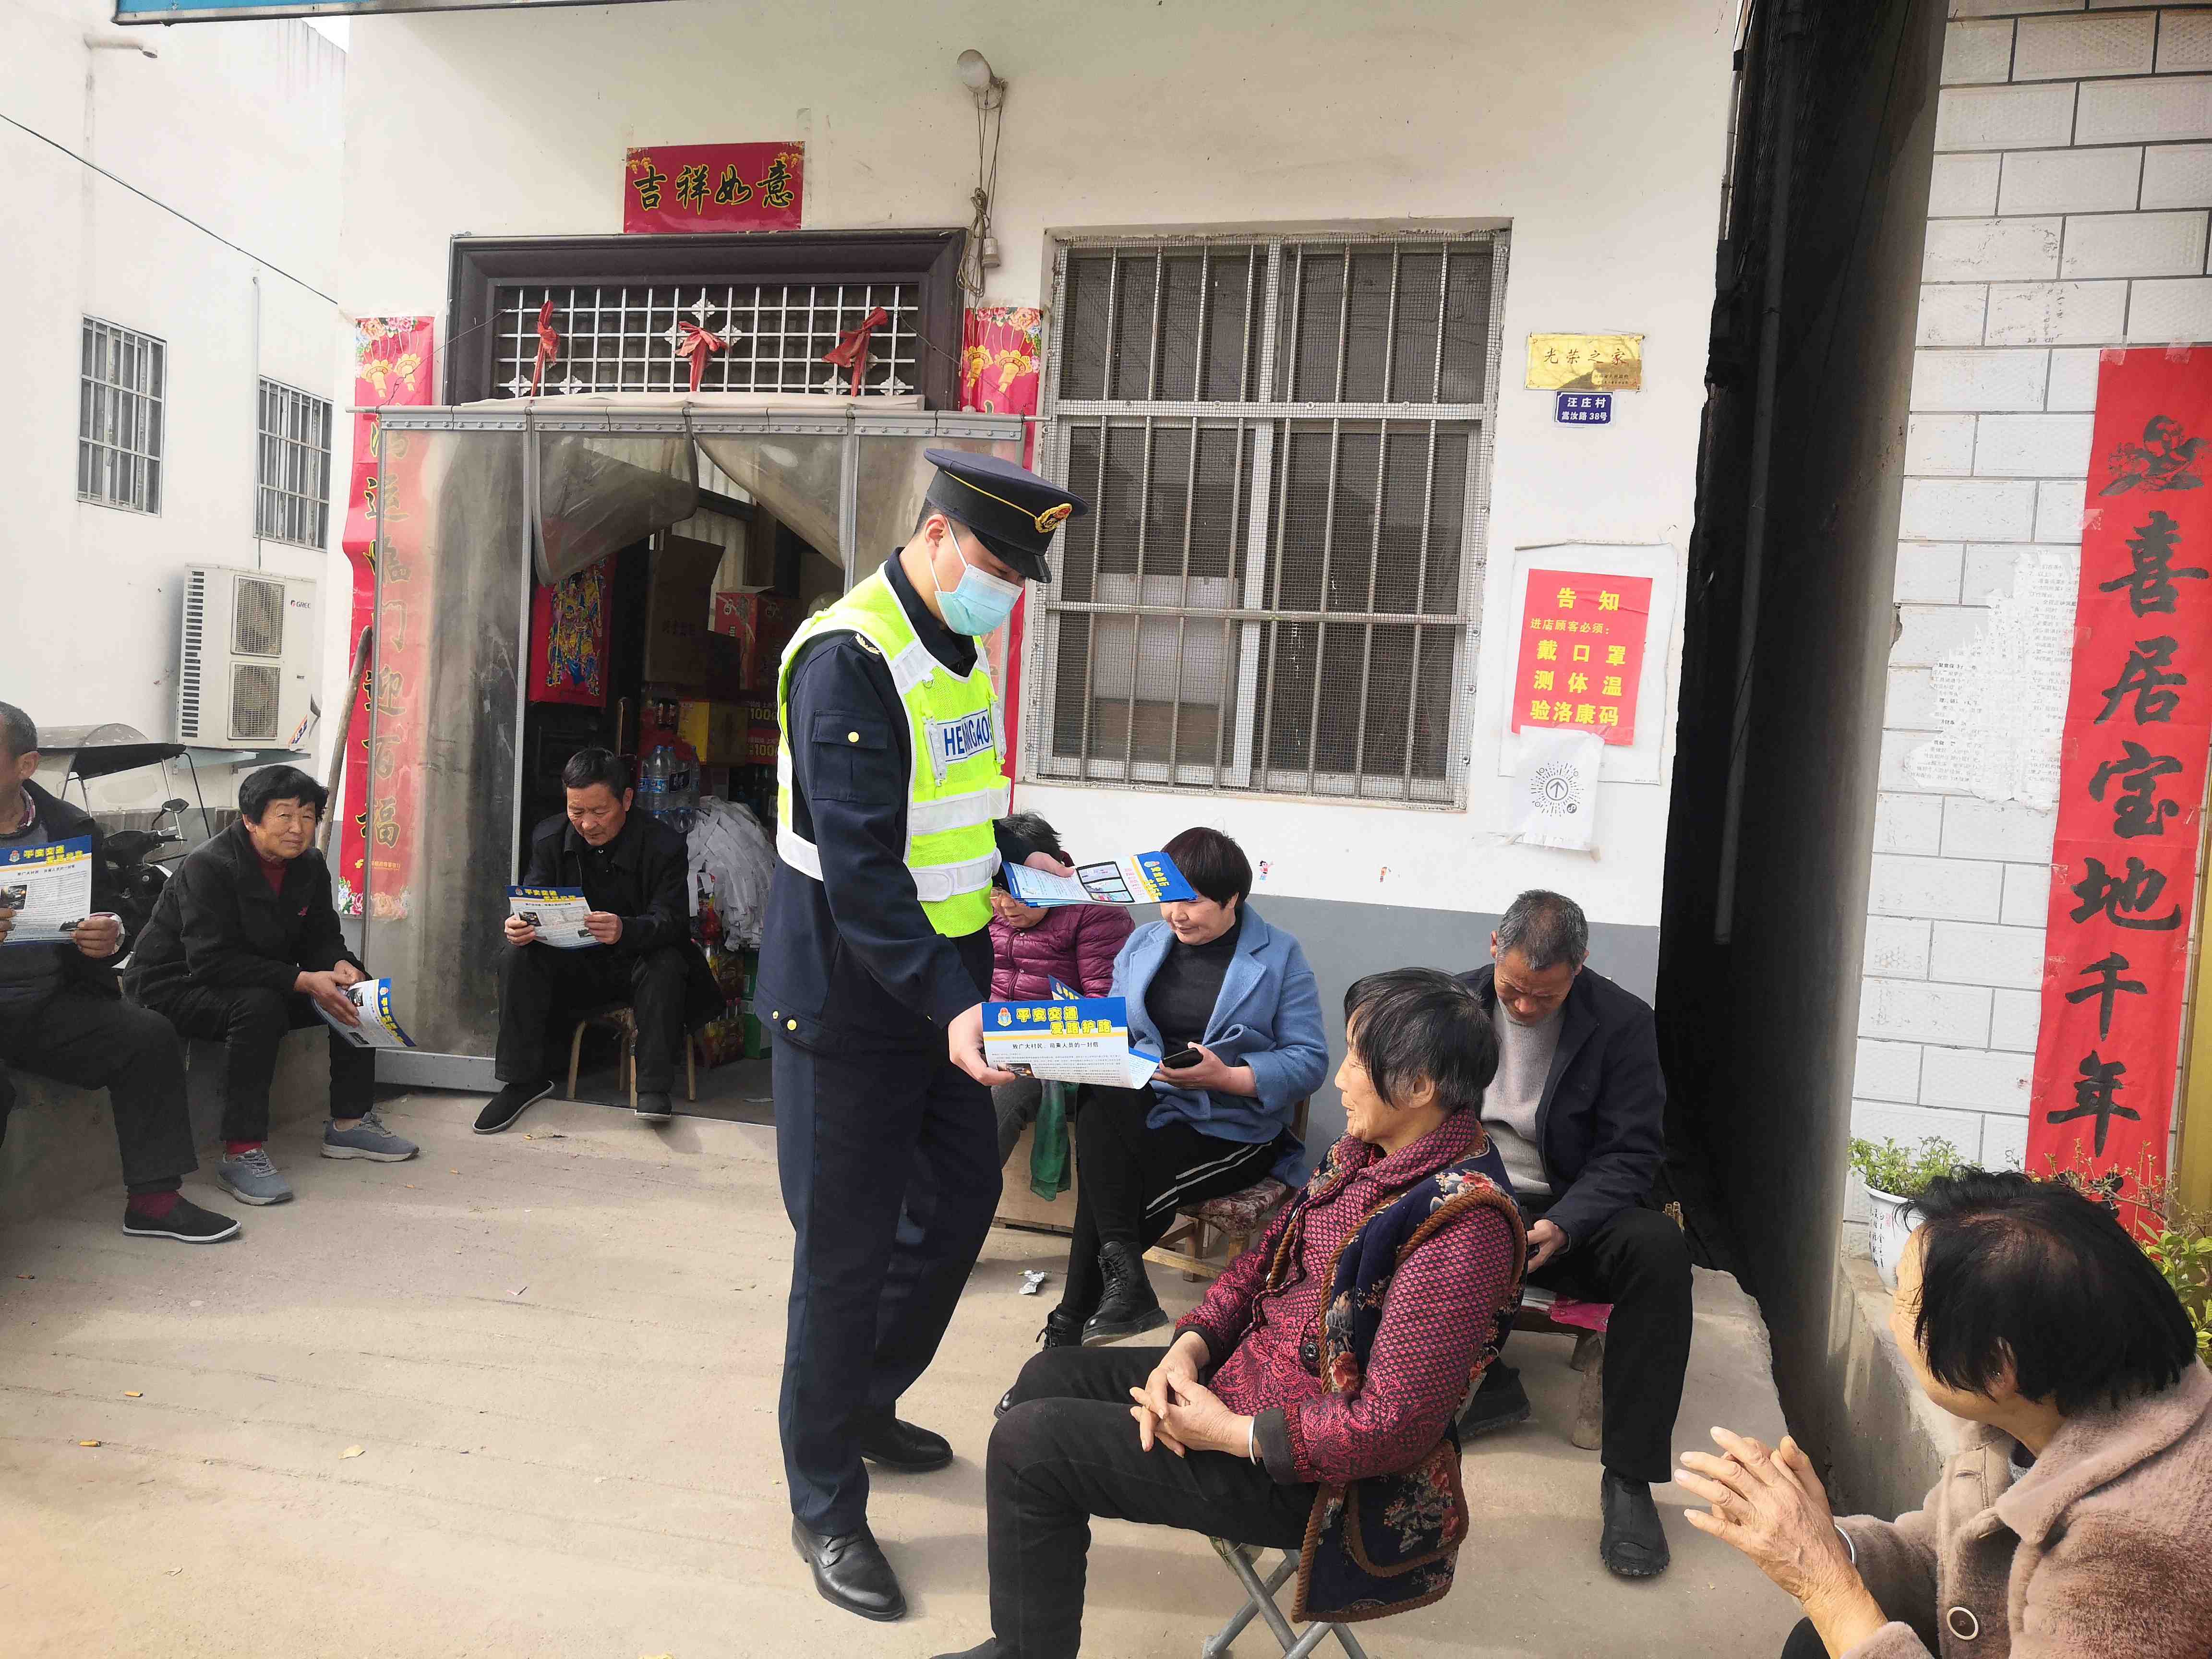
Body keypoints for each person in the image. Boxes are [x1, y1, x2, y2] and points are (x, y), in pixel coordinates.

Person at [928, 969, 1525, 1659]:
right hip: (1243, 1386)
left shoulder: (1462, 1228)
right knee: (1046, 1376)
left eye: (1358, 1061)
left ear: (1418, 1087)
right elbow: (1261, 1265)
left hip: (1313, 1475)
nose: (1340, 1079)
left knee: (1029, 1447)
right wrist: (1188, 1349)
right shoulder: (1365, 1154)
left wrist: (1231, 1434)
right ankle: (1029, 1639)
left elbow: (1390, 1427)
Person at [759, 450, 1086, 1623]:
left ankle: (862, 1396)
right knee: (841, 1257)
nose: (1005, 592)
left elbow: (946, 810)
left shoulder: (958, 646)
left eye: (1020, 578)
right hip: (852, 1006)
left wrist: (1018, 850)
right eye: (996, 564)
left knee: (956, 1205)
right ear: (938, 535)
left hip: (943, 991)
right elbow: (860, 867)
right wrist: (953, 1004)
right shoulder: (849, 657)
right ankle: (824, 1501)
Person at [1681, 1171, 2212, 1659]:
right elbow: (1947, 1557)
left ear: (1996, 1366)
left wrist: (1822, 1581)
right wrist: (1830, 1543)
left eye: (1906, 1303)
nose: (1893, 1323)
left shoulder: (2135, 1546)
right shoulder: (2038, 1415)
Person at [1456, 888, 1690, 1579]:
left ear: (1579, 967)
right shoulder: (1449, 1005)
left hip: (1567, 1213)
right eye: (1514, 991)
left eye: (1545, 997)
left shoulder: (1622, 1023)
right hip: (1470, 1202)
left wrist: (1566, 1223)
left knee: (1658, 1250)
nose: (1526, 1008)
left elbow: (1632, 1152)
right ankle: (1478, 1383)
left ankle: (1630, 1480)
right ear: (1494, 948)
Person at [0, 702, 237, 1243]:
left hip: (47, 1003)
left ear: (26, 765)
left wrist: (111, 934)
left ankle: (154, 1201)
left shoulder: (68, 827)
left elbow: (110, 910)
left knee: (147, 1036)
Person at [127, 765, 418, 1204]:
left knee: (357, 991)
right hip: (175, 985)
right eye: (284, 816)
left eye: (308, 816)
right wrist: (302, 980)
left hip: (253, 977)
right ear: (250, 819)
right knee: (259, 1008)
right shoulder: (208, 866)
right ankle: (241, 1152)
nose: (298, 829)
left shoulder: (309, 865)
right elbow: (210, 960)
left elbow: (321, 937)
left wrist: (340, 965)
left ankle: (350, 1123)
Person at [476, 747, 721, 1133]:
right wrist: (519, 926)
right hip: (575, 970)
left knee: (667, 962)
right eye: (577, 811)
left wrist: (626, 929)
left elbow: (672, 922)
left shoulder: (663, 844)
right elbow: (532, 901)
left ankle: (654, 1088)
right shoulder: (549, 837)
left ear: (627, 799)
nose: (587, 825)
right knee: (516, 956)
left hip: (638, 968)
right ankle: (520, 1081)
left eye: (599, 812)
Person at [986, 810, 1133, 1166]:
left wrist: (1029, 1044)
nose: (1006, 906)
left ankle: (963, 1196)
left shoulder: (1095, 911)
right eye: (997, 892)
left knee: (998, 1099)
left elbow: (1104, 1007)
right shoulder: (981, 910)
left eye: (1019, 893)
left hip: (1060, 1057)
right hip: (990, 1041)